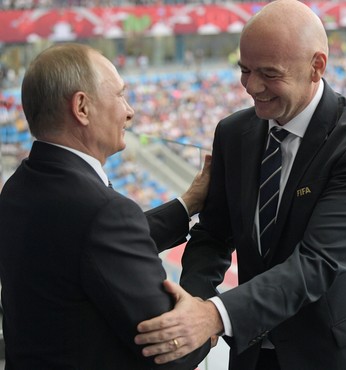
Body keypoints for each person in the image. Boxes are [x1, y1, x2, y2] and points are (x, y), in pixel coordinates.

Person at [135, 1, 346, 369]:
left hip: (343, 355)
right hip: (256, 354)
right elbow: (214, 234)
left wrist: (214, 316)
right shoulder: (233, 132)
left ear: (316, 67)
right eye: (245, 70)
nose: (252, 87)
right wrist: (191, 301)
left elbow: (317, 262)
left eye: (269, 73)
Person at [0, 43, 213, 369]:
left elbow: (89, 246)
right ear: (82, 107)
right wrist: (209, 316)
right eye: (120, 96)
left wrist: (188, 204)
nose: (129, 111)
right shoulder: (101, 211)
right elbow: (175, 350)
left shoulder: (18, 187)